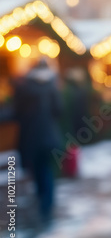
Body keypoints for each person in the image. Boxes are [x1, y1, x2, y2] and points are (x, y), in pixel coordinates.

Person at [13, 58, 63, 222]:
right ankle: (46, 206)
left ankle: (43, 204)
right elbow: (58, 110)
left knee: (37, 170)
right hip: (49, 136)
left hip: (31, 137)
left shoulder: (25, 87)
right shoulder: (52, 86)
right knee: (46, 170)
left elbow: (17, 113)